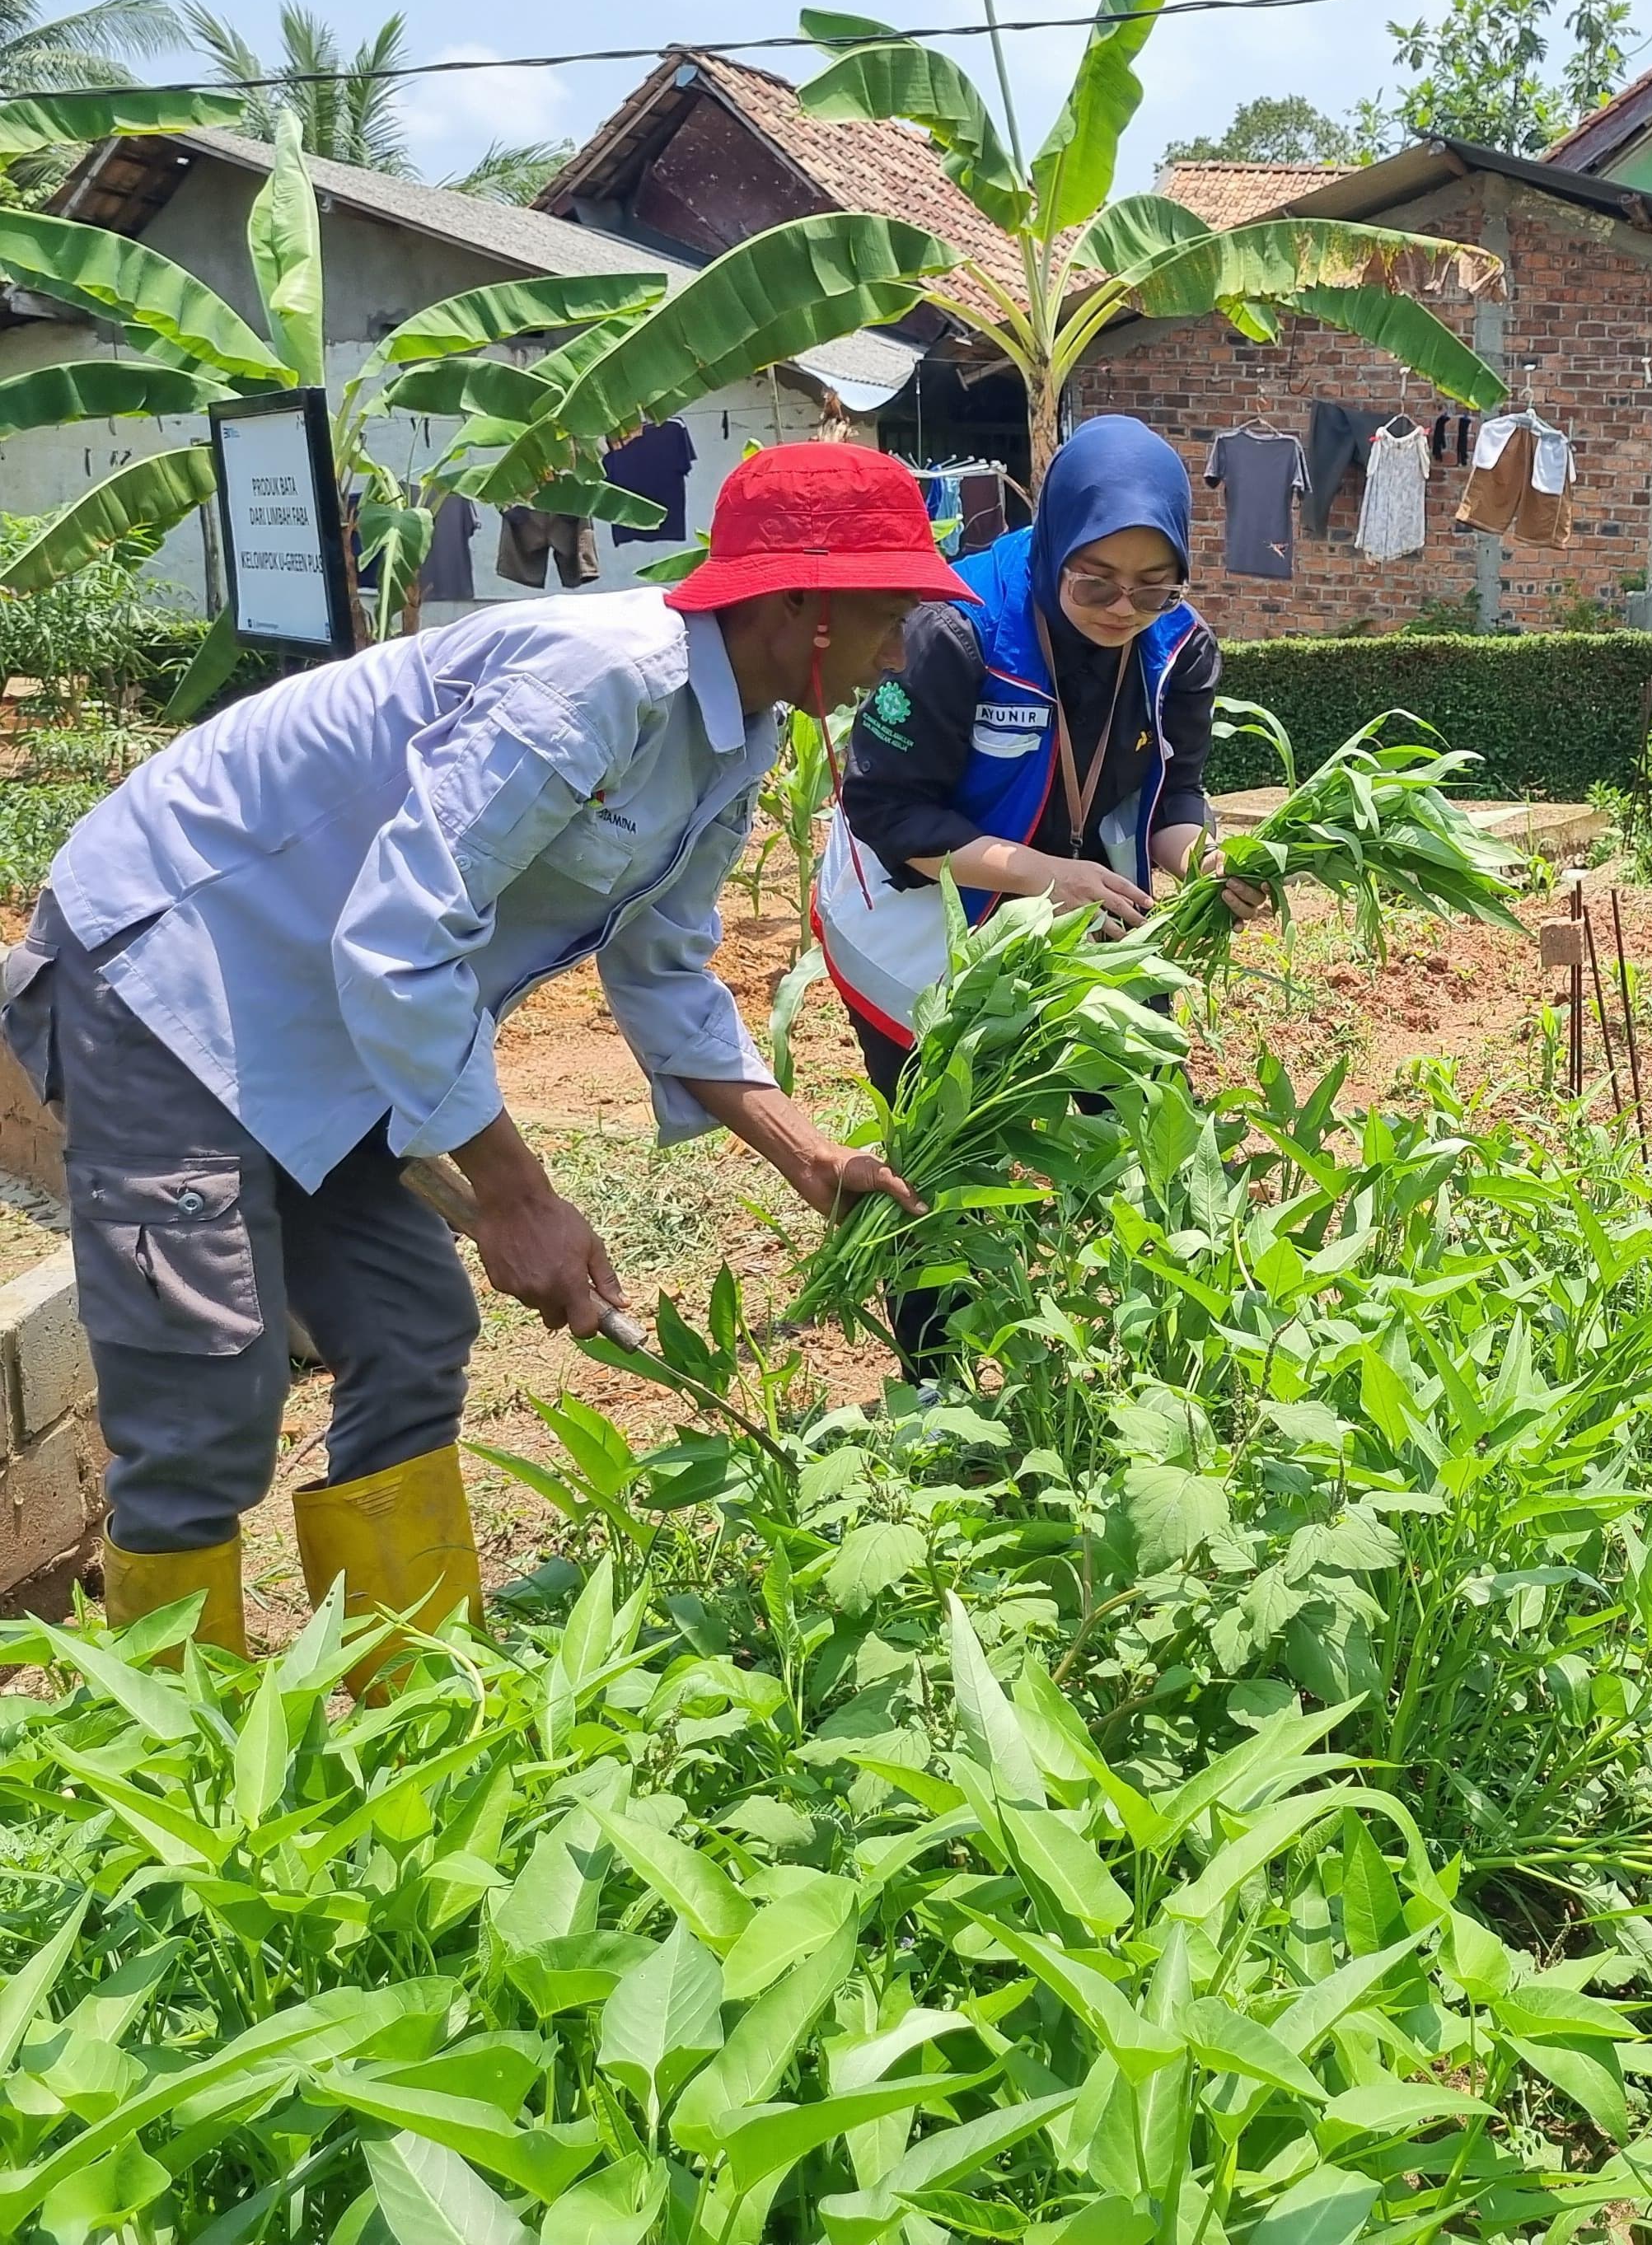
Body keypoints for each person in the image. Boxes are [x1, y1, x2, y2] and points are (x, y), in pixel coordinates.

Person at [0, 442, 957, 1659]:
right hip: (166, 972)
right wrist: (519, 1197)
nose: (900, 648)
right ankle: (179, 1766)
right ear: (798, 608)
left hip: (328, 1012)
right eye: (890, 614)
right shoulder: (597, 683)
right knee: (209, 1389)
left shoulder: (747, 732)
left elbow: (661, 961)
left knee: (410, 1327)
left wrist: (808, 1153)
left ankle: (415, 1708)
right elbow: (401, 939)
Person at [817, 415, 1257, 1362]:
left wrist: (1206, 862)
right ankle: (932, 1375)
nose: (1121, 607)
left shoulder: (1178, 646)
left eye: (1153, 585)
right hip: (915, 907)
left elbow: (1171, 795)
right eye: (1094, 580)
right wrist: (1039, 876)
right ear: (1054, 539)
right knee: (945, 1137)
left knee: (1136, 1103)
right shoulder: (954, 629)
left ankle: (1125, 1348)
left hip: (1070, 896)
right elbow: (887, 813)